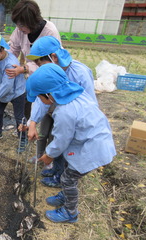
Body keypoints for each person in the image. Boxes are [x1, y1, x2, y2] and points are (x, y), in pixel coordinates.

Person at [26, 63, 116, 223]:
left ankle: (70, 213)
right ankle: (65, 195)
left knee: (68, 179)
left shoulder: (64, 112)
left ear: (49, 94)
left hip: (92, 149)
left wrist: (49, 155)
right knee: (68, 171)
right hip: (92, 141)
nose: (40, 100)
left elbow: (61, 140)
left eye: (40, 97)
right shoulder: (77, 94)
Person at [25, 36, 98, 188]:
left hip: (72, 120)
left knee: (60, 143)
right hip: (53, 112)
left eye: (39, 62)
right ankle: (53, 168)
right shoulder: (47, 74)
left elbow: (90, 103)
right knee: (48, 136)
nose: (38, 67)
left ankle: (60, 175)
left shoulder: (80, 73)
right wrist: (32, 122)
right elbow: (41, 99)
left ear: (53, 57)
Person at [5, 0, 61, 120]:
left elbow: (52, 63)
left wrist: (25, 68)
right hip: (31, 76)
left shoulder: (50, 31)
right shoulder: (20, 30)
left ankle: (44, 124)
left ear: (31, 22)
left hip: (48, 77)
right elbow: (13, 48)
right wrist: (7, 62)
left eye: (21, 25)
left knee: (49, 106)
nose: (19, 29)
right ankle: (26, 125)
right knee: (26, 98)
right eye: (17, 25)